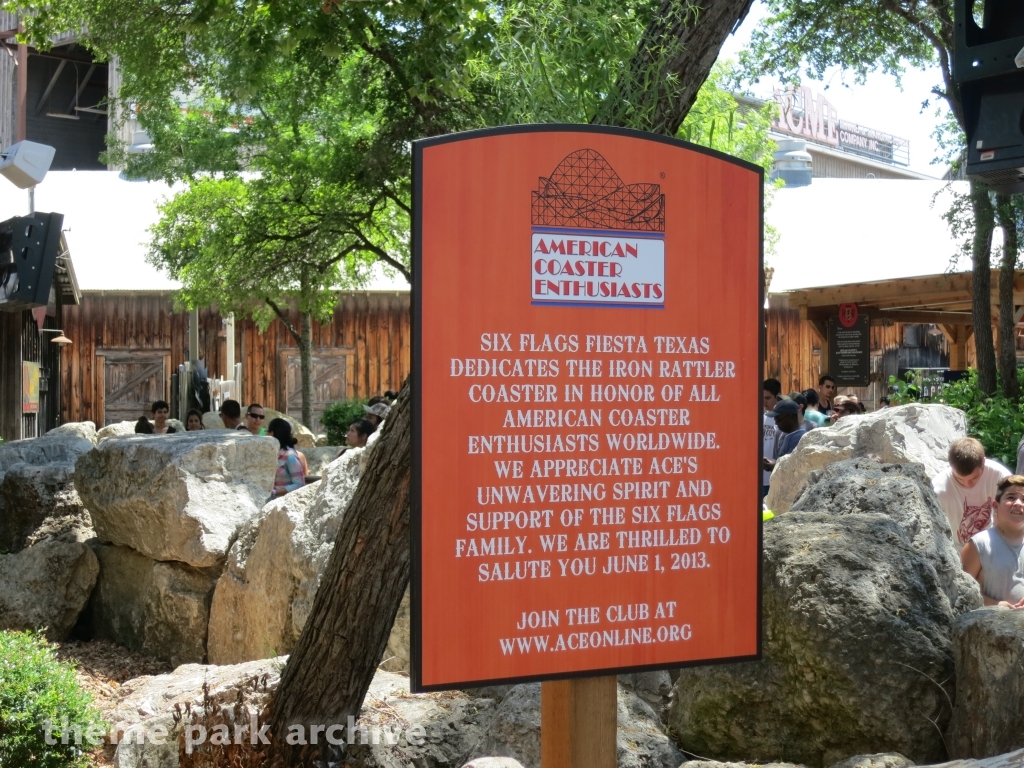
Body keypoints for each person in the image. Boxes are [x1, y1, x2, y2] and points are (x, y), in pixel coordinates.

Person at [933, 437, 1011, 547]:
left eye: (974, 478)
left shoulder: (1000, 477)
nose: (967, 485)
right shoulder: (938, 489)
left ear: (983, 462)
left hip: (993, 544)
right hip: (955, 549)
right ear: (951, 467)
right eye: (960, 479)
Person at [960, 475, 1024, 608]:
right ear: (996, 506)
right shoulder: (978, 545)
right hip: (989, 619)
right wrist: (995, 604)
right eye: (1011, 497)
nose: (1018, 503)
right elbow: (960, 590)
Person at [763, 400, 806, 473]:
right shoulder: (785, 434)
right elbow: (783, 463)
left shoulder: (798, 438)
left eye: (778, 419)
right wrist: (770, 464)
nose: (776, 423)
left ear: (789, 417)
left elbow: (791, 469)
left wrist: (771, 466)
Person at [268, 418, 306, 499]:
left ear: (271, 434)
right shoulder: (272, 454)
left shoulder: (290, 455)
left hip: (283, 502)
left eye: (267, 432)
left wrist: (275, 492)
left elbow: (299, 484)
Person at [763, 378, 782, 497]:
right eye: (762, 398)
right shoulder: (759, 416)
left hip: (775, 476)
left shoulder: (783, 419)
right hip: (760, 476)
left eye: (768, 398)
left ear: (777, 397)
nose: (764, 401)